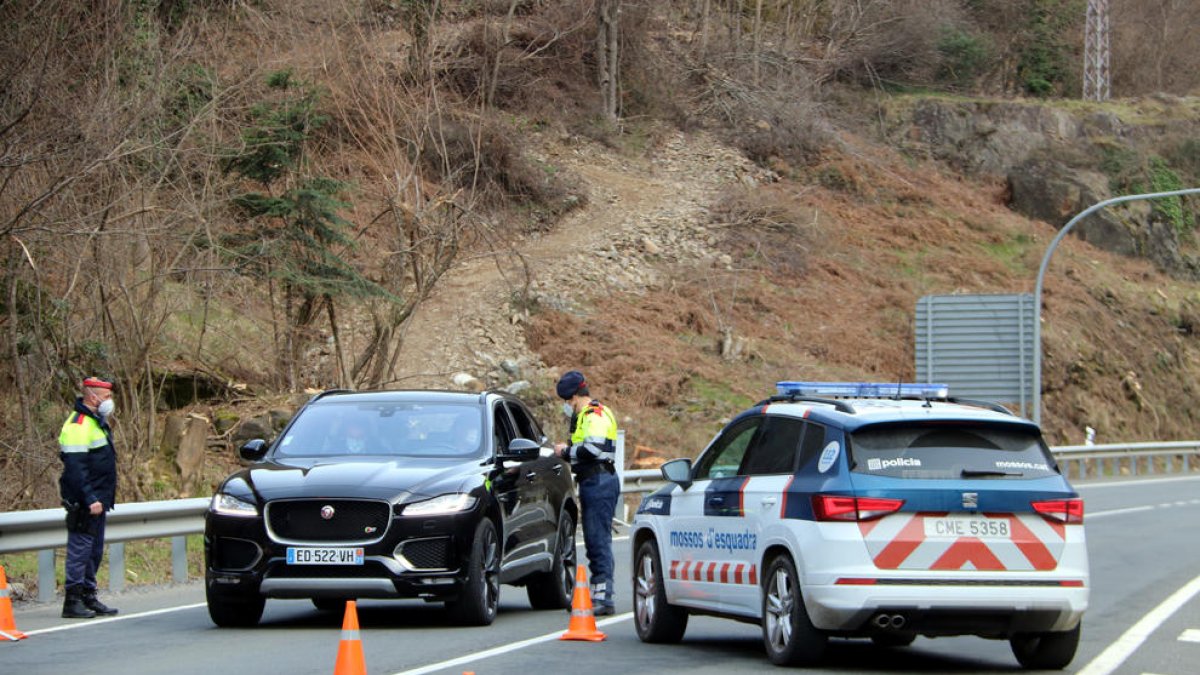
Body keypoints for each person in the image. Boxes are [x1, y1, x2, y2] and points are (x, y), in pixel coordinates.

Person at [554, 370, 620, 616]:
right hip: (594, 481)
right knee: (594, 540)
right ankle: (597, 594)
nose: (566, 407)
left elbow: (592, 449)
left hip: (599, 480)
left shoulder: (595, 416)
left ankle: (604, 597)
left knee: (598, 540)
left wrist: (564, 452)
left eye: (566, 402)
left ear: (573, 398)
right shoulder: (586, 416)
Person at [57, 377, 119, 619]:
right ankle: (72, 601)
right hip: (85, 500)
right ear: (93, 397)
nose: (109, 402)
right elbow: (75, 468)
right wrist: (89, 498)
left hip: (98, 500)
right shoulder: (78, 425)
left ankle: (88, 596)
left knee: (93, 550)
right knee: (80, 550)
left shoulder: (97, 423)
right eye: (106, 398)